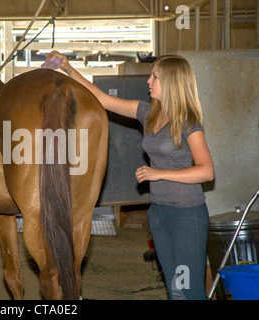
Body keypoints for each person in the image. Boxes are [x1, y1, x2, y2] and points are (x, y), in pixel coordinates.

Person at [45, 51, 214, 300]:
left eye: (154, 77)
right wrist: (69, 69)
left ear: (172, 83)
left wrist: (159, 174)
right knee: (175, 289)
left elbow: (207, 170)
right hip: (159, 212)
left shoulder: (188, 123)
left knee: (191, 290)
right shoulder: (148, 113)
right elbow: (102, 99)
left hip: (187, 214)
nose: (149, 81)